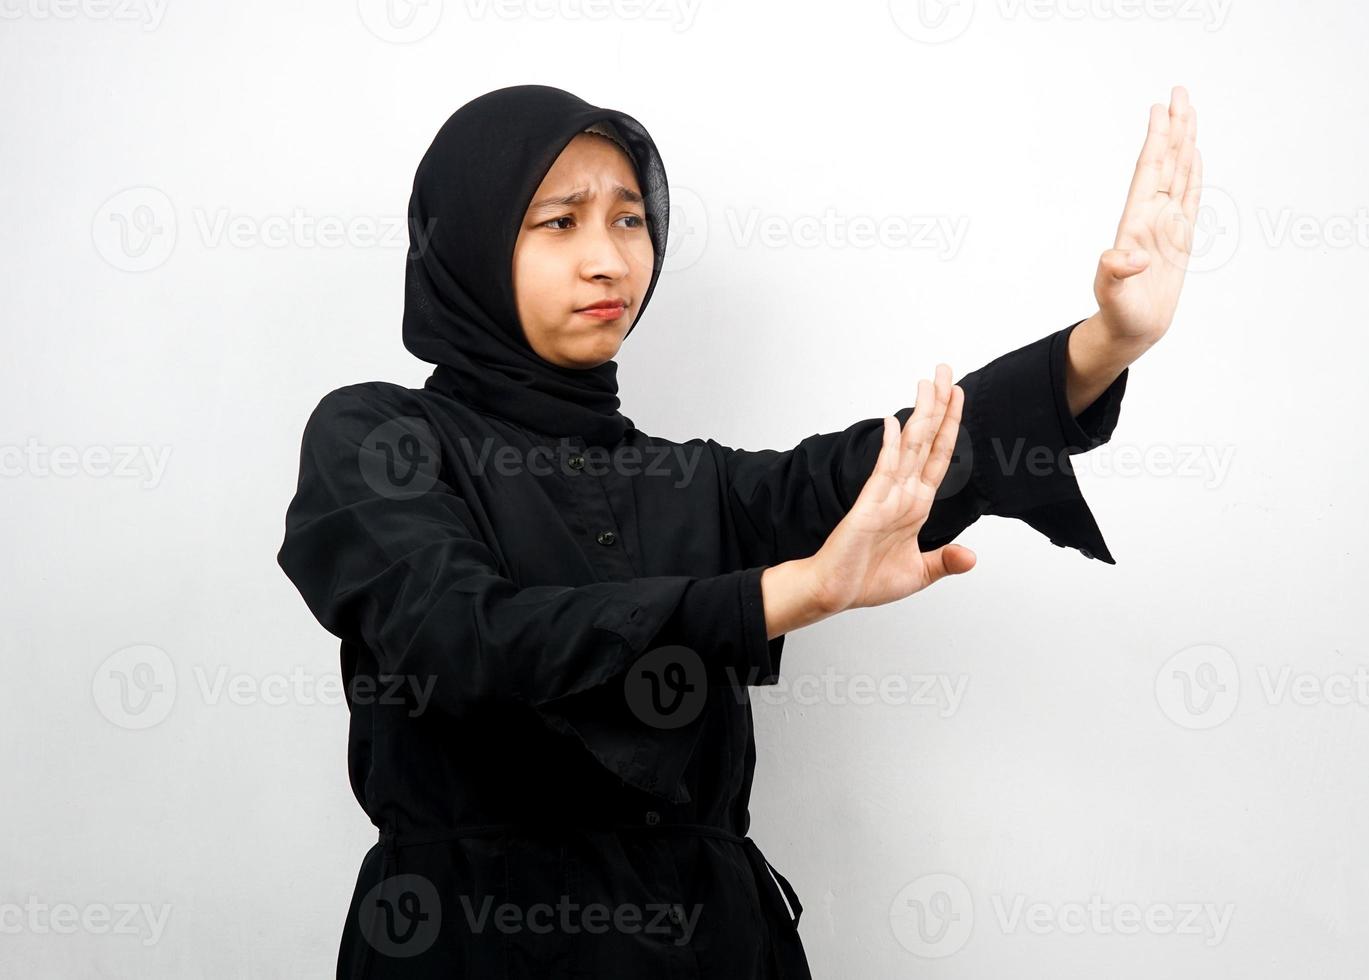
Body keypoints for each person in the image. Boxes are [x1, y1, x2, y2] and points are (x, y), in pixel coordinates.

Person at [276, 82, 1200, 979]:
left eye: (630, 219)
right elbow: (464, 639)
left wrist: (1103, 346)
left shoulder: (692, 482)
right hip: (474, 944)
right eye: (559, 222)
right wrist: (791, 591)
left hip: (712, 944)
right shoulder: (379, 438)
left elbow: (874, 471)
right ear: (469, 241)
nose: (609, 259)